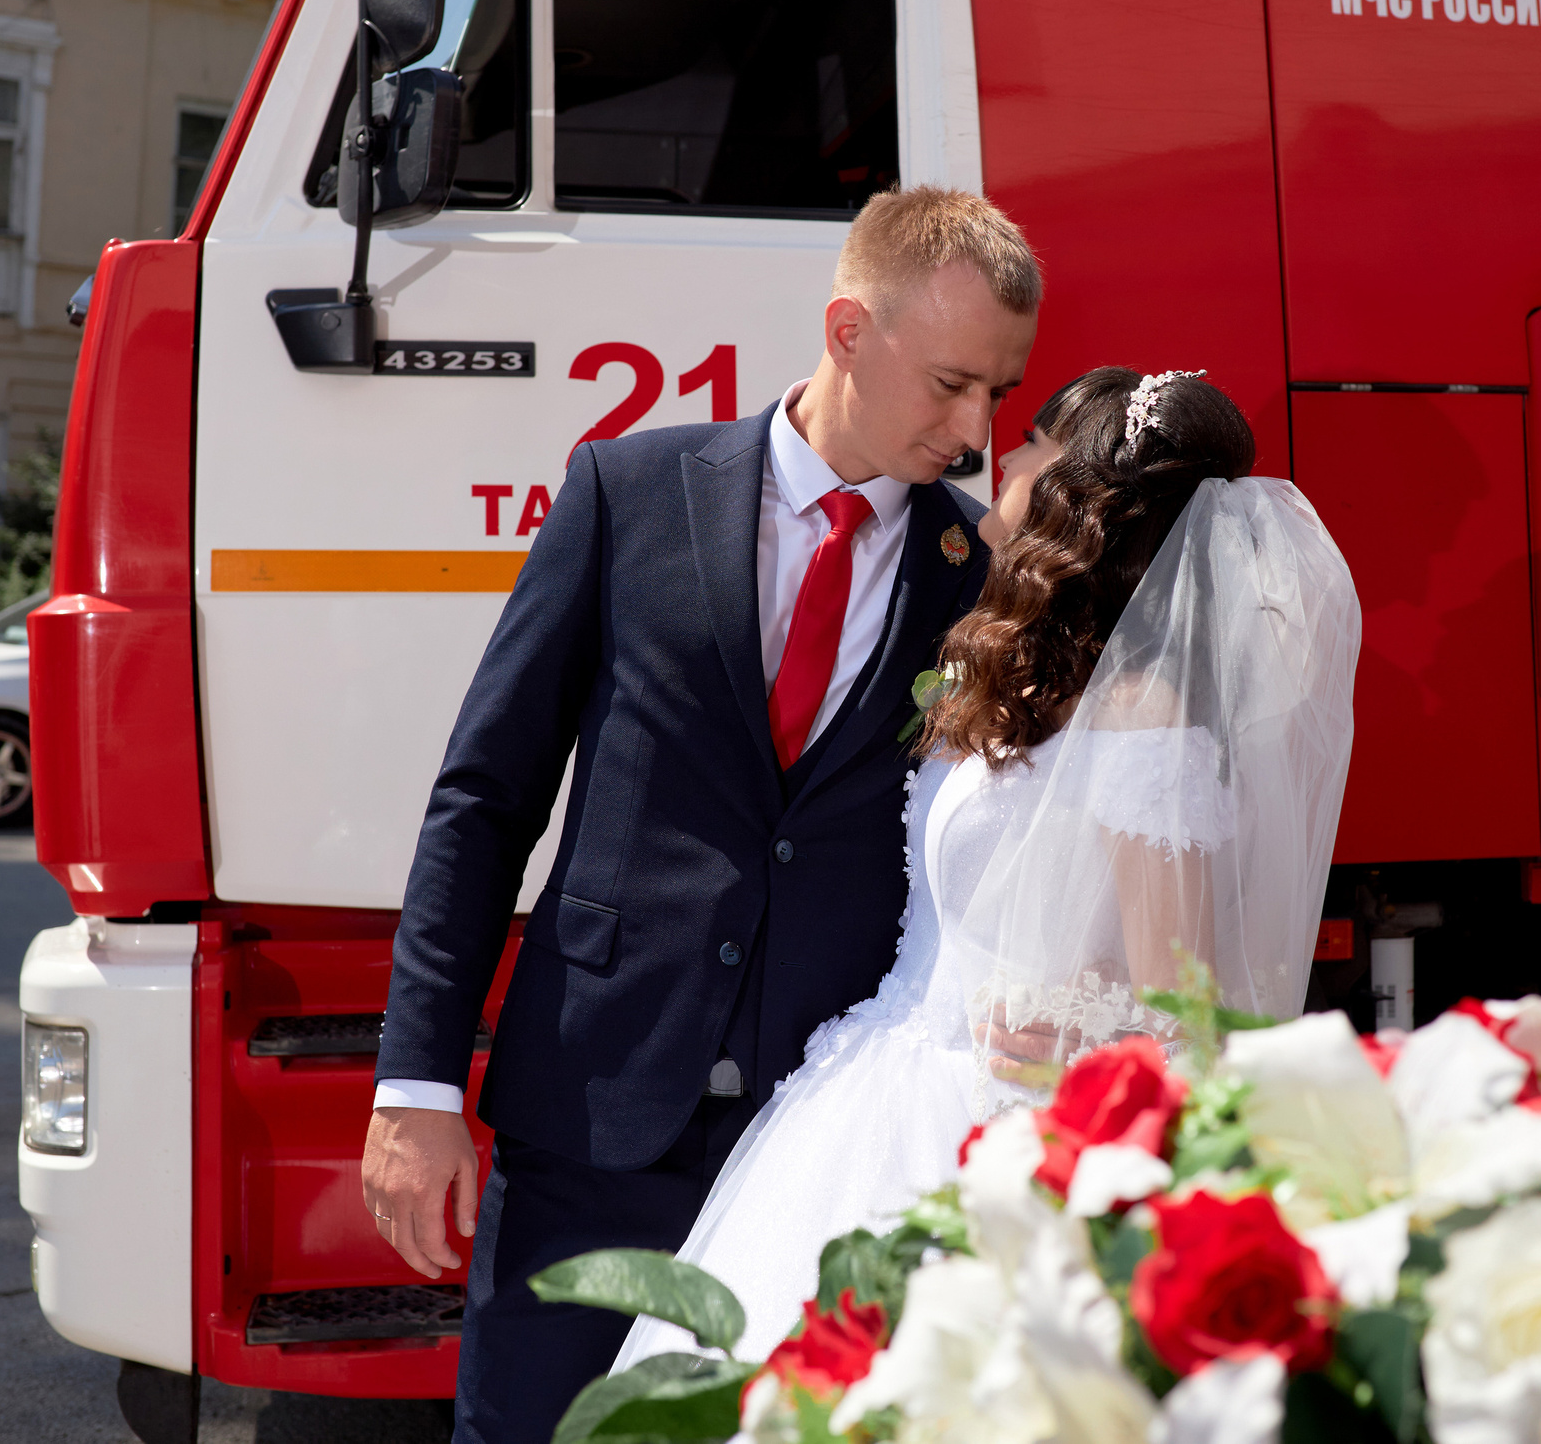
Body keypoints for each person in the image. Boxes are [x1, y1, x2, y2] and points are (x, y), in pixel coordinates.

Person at [361, 185, 1044, 1444]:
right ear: (848, 330)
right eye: (952, 382)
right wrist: (415, 1085)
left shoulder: (979, 577)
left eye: (996, 393)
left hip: (821, 1141)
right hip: (594, 1111)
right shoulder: (628, 490)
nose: (973, 426)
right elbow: (486, 792)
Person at [613, 366, 1363, 1370]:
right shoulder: (1034, 673)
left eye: (1033, 443)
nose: (997, 455)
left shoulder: (1143, 721)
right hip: (883, 1084)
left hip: (1003, 1108)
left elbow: (1185, 1014)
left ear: (1078, 494)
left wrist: (1084, 1039)